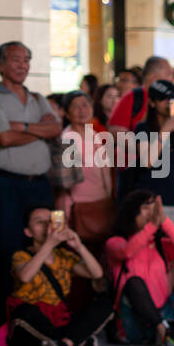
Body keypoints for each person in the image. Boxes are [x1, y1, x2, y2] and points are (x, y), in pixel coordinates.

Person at [0, 41, 61, 330]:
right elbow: (3, 139)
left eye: (26, 59)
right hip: (6, 185)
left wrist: (21, 127)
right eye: (16, 60)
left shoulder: (38, 98)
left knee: (42, 246)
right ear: (1, 65)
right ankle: (0, 324)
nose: (22, 65)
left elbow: (55, 129)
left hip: (39, 185)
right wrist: (38, 131)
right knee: (5, 251)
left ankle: (41, 316)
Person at [6, 204, 112, 346]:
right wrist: (49, 243)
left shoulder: (64, 256)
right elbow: (25, 276)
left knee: (104, 305)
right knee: (25, 312)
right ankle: (75, 341)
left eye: (51, 221)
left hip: (60, 319)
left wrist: (79, 246)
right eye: (40, 222)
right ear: (28, 232)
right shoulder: (21, 255)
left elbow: (96, 273)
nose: (47, 226)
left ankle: (62, 345)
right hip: (33, 319)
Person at [105, 191, 174, 346]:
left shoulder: (159, 243)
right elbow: (127, 252)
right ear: (132, 212)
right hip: (133, 318)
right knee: (134, 282)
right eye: (146, 208)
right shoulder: (115, 242)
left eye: (154, 208)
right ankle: (162, 331)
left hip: (164, 312)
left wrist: (165, 222)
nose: (151, 213)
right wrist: (152, 226)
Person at [52, 90, 115, 257]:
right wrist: (64, 217)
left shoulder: (95, 135)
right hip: (76, 209)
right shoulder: (64, 139)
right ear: (66, 112)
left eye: (86, 105)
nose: (82, 110)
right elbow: (62, 186)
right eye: (75, 106)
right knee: (76, 257)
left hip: (101, 205)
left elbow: (106, 173)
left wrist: (109, 199)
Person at [130, 80, 174, 234]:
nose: (169, 103)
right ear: (152, 103)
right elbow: (147, 161)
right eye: (164, 99)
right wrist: (165, 130)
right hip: (150, 202)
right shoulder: (142, 128)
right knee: (151, 250)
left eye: (172, 99)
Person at [107, 55, 172, 141]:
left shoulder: (173, 97)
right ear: (153, 76)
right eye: (168, 74)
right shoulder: (132, 97)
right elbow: (115, 132)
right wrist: (142, 144)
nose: (171, 79)